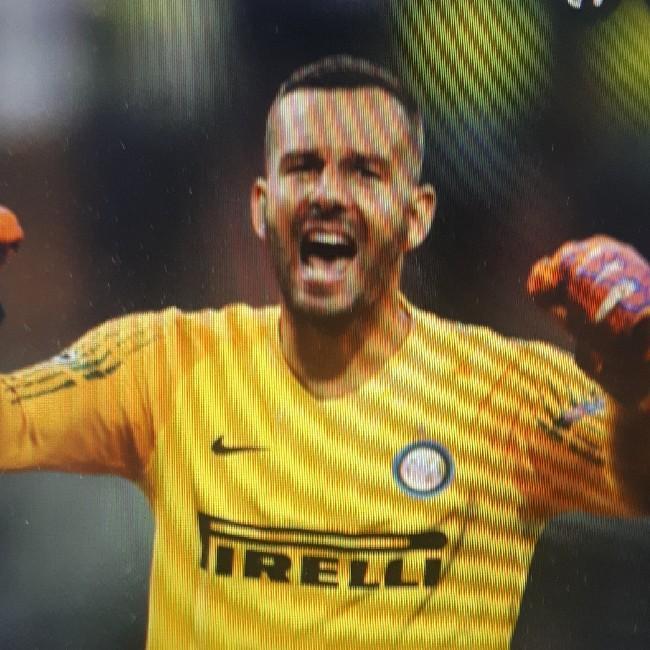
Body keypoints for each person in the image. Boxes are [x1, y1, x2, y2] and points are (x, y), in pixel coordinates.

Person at [0, 56, 648, 650]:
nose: (329, 193)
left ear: (417, 215)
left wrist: (634, 382)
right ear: (262, 206)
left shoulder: (503, 392)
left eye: (365, 171)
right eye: (303, 167)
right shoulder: (165, 363)